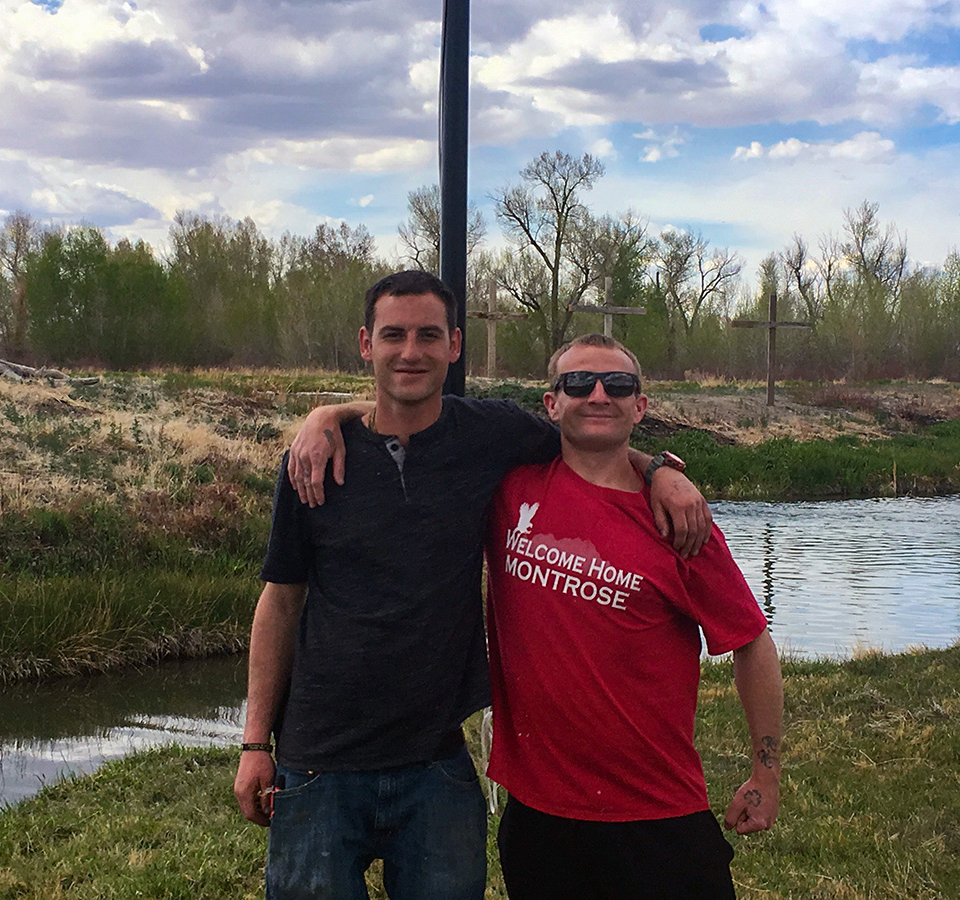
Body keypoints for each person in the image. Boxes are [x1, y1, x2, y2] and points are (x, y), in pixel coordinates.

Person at [233, 271, 713, 900]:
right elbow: (281, 600)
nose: (411, 352)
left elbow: (591, 439)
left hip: (437, 765)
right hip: (318, 764)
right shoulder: (315, 459)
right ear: (365, 344)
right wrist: (253, 742)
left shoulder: (489, 436)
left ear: (455, 345)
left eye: (429, 335)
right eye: (394, 335)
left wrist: (659, 472)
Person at [484, 333, 784, 900]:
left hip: (658, 817)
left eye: (617, 384)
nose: (598, 394)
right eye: (578, 383)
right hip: (540, 818)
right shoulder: (509, 487)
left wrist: (764, 772)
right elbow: (415, 412)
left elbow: (751, 641)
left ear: (640, 406)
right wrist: (330, 414)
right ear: (552, 403)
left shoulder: (681, 523)